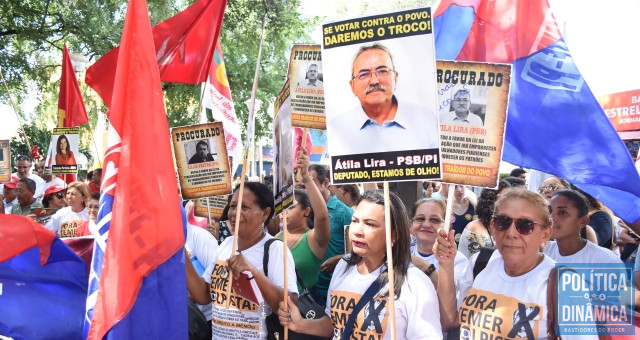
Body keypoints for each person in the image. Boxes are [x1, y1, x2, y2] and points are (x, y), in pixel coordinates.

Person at [277, 190, 442, 339]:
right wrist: (299, 324)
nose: (357, 231)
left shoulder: (415, 284)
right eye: (355, 221)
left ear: (394, 234)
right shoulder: (343, 267)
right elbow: (333, 326)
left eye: (370, 224)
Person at [435, 189, 556, 339]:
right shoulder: (481, 262)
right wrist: (446, 264)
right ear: (493, 226)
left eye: (525, 225)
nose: (511, 233)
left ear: (546, 234)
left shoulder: (562, 282)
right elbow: (451, 321)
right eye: (503, 222)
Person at [186, 182, 298, 340]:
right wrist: (181, 256)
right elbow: (204, 295)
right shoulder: (226, 245)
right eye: (233, 206)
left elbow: (290, 306)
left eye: (244, 207)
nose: (234, 214)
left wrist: (254, 272)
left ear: (265, 214)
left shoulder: (275, 249)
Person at [328, 43, 439, 155]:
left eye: (382, 71)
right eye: (364, 74)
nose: (374, 81)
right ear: (352, 87)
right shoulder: (336, 129)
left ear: (395, 78)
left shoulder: (426, 119)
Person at [296, 164, 353, 308]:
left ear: (326, 183)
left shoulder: (345, 213)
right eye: (302, 186)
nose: (305, 190)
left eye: (309, 183)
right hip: (303, 290)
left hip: (332, 290)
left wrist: (341, 259)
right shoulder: (297, 212)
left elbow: (356, 252)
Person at [277, 147, 330, 292]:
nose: (284, 214)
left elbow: (322, 215)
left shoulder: (313, 238)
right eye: (282, 210)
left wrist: (306, 175)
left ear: (306, 211)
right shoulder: (277, 237)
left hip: (304, 308)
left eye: (291, 208)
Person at [544, 189, 621, 264]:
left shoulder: (606, 261)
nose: (552, 217)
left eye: (562, 212)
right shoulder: (542, 252)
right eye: (550, 211)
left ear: (583, 221)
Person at [410, 198, 468, 284]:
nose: (426, 224)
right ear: (411, 223)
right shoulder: (400, 252)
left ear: (447, 225)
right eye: (420, 219)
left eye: (434, 220)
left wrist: (424, 266)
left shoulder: (458, 260)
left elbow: (453, 295)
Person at [458, 180, 511, 258]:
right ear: (490, 199)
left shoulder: (511, 227)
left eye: (509, 198)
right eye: (501, 198)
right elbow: (462, 262)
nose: (506, 202)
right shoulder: (473, 227)